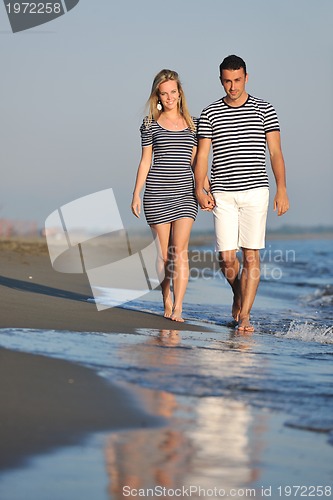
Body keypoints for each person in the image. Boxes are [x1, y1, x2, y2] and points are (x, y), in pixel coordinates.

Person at [195, 55, 289, 332]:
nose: (232, 86)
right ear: (221, 80)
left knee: (250, 256)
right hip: (222, 193)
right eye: (227, 81)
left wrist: (281, 188)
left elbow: (275, 152)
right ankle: (240, 294)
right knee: (226, 258)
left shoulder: (265, 110)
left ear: (246, 78)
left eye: (237, 80)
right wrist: (200, 188)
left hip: (256, 191)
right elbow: (202, 156)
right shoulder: (210, 112)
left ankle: (244, 316)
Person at [131, 69, 210, 322]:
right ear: (157, 95)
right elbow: (145, 161)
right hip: (157, 193)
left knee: (180, 251)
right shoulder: (148, 125)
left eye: (173, 92)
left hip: (185, 194)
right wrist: (136, 194)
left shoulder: (194, 124)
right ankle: (166, 297)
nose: (169, 97)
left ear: (180, 93)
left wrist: (205, 190)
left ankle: (178, 307)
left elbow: (197, 162)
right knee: (164, 255)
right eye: (163, 93)